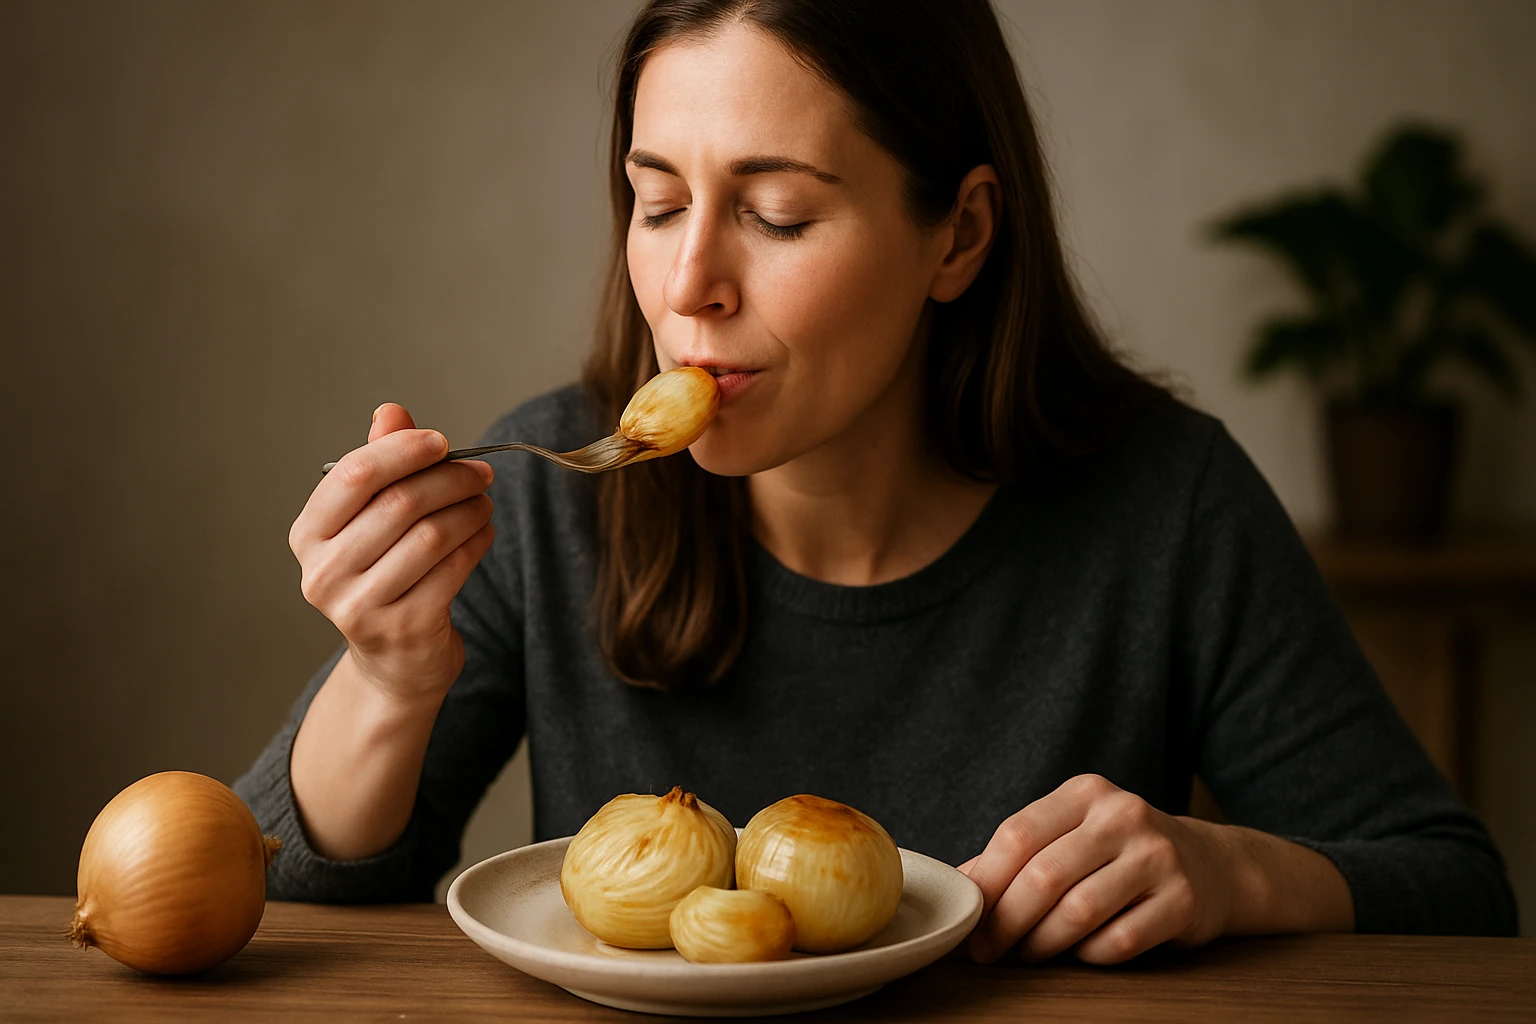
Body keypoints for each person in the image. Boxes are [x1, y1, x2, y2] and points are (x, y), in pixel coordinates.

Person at [235, 0, 1518, 964]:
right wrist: (390, 682)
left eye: (778, 214)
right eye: (656, 201)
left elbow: (1462, 895)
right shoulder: (552, 487)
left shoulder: (1166, 506)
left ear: (956, 234)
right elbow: (260, 895)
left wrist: (1238, 873)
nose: (689, 289)